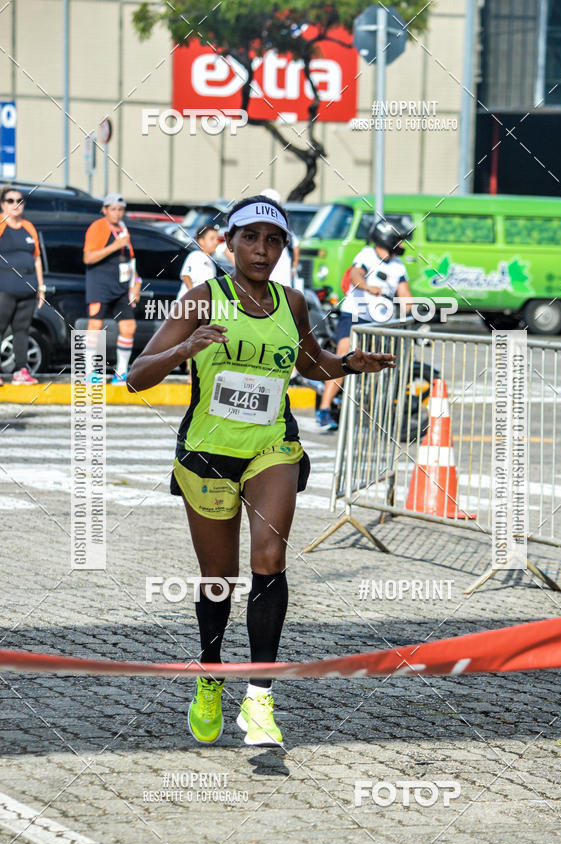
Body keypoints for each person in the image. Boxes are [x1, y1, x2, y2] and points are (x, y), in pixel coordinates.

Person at [127, 194, 395, 747]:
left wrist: (346, 366)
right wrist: (185, 350)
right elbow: (136, 375)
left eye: (273, 241)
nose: (262, 249)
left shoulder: (291, 303)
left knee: (270, 558)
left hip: (272, 446)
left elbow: (308, 362)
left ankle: (260, 697)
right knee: (219, 579)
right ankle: (210, 677)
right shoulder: (200, 301)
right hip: (207, 452)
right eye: (250, 237)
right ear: (229, 243)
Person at [316, 218, 414, 430]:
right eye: (399, 239)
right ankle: (323, 410)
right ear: (386, 238)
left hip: (382, 322)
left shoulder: (398, 266)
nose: (403, 244)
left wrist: (415, 311)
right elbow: (355, 275)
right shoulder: (367, 255)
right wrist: (368, 287)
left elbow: (405, 294)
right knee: (343, 357)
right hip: (355, 316)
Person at [83, 193, 141, 383]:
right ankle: (90, 372)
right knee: (95, 326)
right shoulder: (97, 227)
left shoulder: (123, 228)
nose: (117, 213)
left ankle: (121, 372)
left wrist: (136, 283)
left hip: (122, 286)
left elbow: (130, 259)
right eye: (113, 209)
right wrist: (114, 246)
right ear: (105, 210)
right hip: (100, 285)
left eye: (120, 210)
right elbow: (88, 257)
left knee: (129, 327)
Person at [0, 185, 46, 385]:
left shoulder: (29, 227)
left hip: (27, 288)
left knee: (22, 330)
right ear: (3, 204)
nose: (15, 205)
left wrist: (41, 287)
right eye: (10, 201)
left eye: (19, 200)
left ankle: (21, 370)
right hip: (4, 288)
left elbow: (37, 259)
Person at [260, 188, 300, 287]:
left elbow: (295, 245)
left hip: (282, 278)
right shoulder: (255, 225)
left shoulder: (284, 225)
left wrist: (293, 267)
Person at [177, 225, 219, 300]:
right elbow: (186, 276)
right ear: (201, 241)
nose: (216, 242)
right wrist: (194, 297)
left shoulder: (211, 262)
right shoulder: (195, 255)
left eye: (217, 239)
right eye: (212, 239)